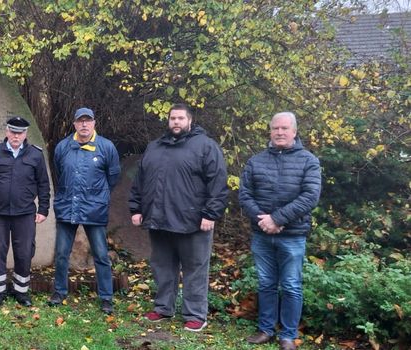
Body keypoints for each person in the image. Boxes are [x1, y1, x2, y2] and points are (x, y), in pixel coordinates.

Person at [128, 103, 228, 332]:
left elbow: (218, 183)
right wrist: (136, 209)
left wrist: (210, 213)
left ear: (189, 121)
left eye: (180, 118)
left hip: (192, 222)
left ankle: (195, 314)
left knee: (195, 269)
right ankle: (164, 307)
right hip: (159, 220)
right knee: (162, 266)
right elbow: (139, 181)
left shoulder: (205, 147)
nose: (176, 122)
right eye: (173, 118)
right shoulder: (154, 147)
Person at [240, 112, 321, 350]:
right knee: (266, 283)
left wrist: (277, 219)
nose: (279, 132)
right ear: (270, 131)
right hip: (262, 234)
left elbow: (310, 196)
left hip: (292, 236)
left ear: (294, 132)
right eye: (275, 128)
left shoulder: (309, 161)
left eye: (285, 128)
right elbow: (245, 195)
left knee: (291, 285)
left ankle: (288, 335)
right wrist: (264, 221)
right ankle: (266, 330)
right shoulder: (256, 161)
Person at [48, 107, 121, 314]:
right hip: (67, 207)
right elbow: (60, 172)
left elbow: (113, 177)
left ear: (94, 123)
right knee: (62, 253)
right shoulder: (63, 147)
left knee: (100, 254)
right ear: (74, 124)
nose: (84, 125)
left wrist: (99, 196)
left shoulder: (106, 147)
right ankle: (59, 292)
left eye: (88, 121)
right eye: (80, 121)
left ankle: (106, 297)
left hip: (94, 210)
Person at [0, 116, 51, 307]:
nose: (16, 136)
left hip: (25, 213)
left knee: (24, 252)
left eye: (20, 133)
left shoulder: (35, 154)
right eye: (13, 132)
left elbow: (43, 184)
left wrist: (43, 209)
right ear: (7, 132)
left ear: (25, 134)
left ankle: (21, 292)